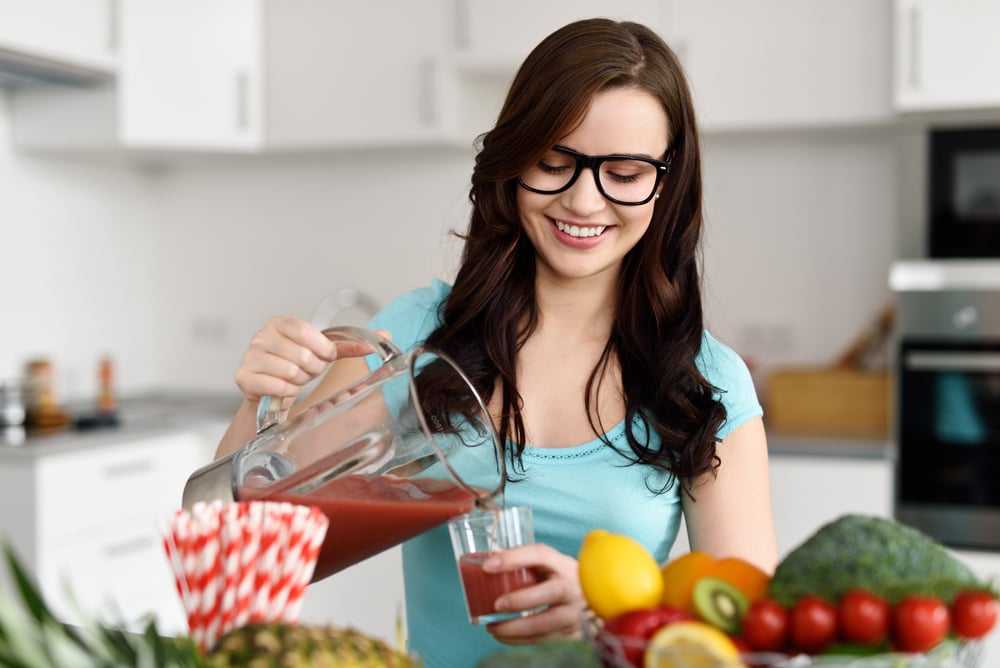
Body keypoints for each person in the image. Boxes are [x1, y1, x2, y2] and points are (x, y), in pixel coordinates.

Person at [215, 17, 777, 667]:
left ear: (667, 180)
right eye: (555, 162)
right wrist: (262, 403)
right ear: (514, 161)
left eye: (622, 171)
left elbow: (751, 635)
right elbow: (241, 553)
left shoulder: (705, 380)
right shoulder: (419, 337)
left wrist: (604, 615)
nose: (585, 200)